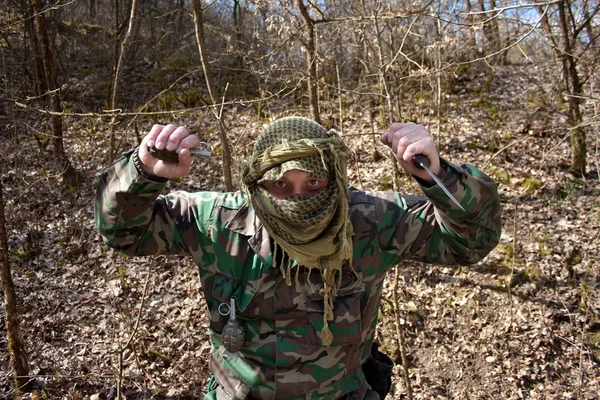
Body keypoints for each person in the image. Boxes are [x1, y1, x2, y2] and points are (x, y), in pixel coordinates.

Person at [95, 116, 501, 400]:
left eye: (314, 182)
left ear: (334, 178)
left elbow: (470, 241)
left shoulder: (370, 221)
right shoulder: (217, 223)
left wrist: (436, 174)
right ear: (258, 182)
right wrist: (145, 171)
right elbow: (124, 231)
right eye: (280, 184)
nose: (298, 197)